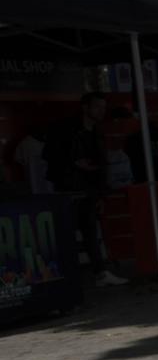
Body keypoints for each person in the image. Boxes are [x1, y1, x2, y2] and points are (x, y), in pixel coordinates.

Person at [44, 91, 126, 287]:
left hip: (88, 188)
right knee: (68, 232)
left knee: (88, 231)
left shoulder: (96, 132)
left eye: (103, 107)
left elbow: (101, 164)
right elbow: (51, 155)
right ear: (85, 108)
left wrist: (101, 193)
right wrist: (73, 164)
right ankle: (67, 275)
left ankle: (99, 273)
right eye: (97, 107)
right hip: (70, 189)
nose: (101, 111)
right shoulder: (67, 130)